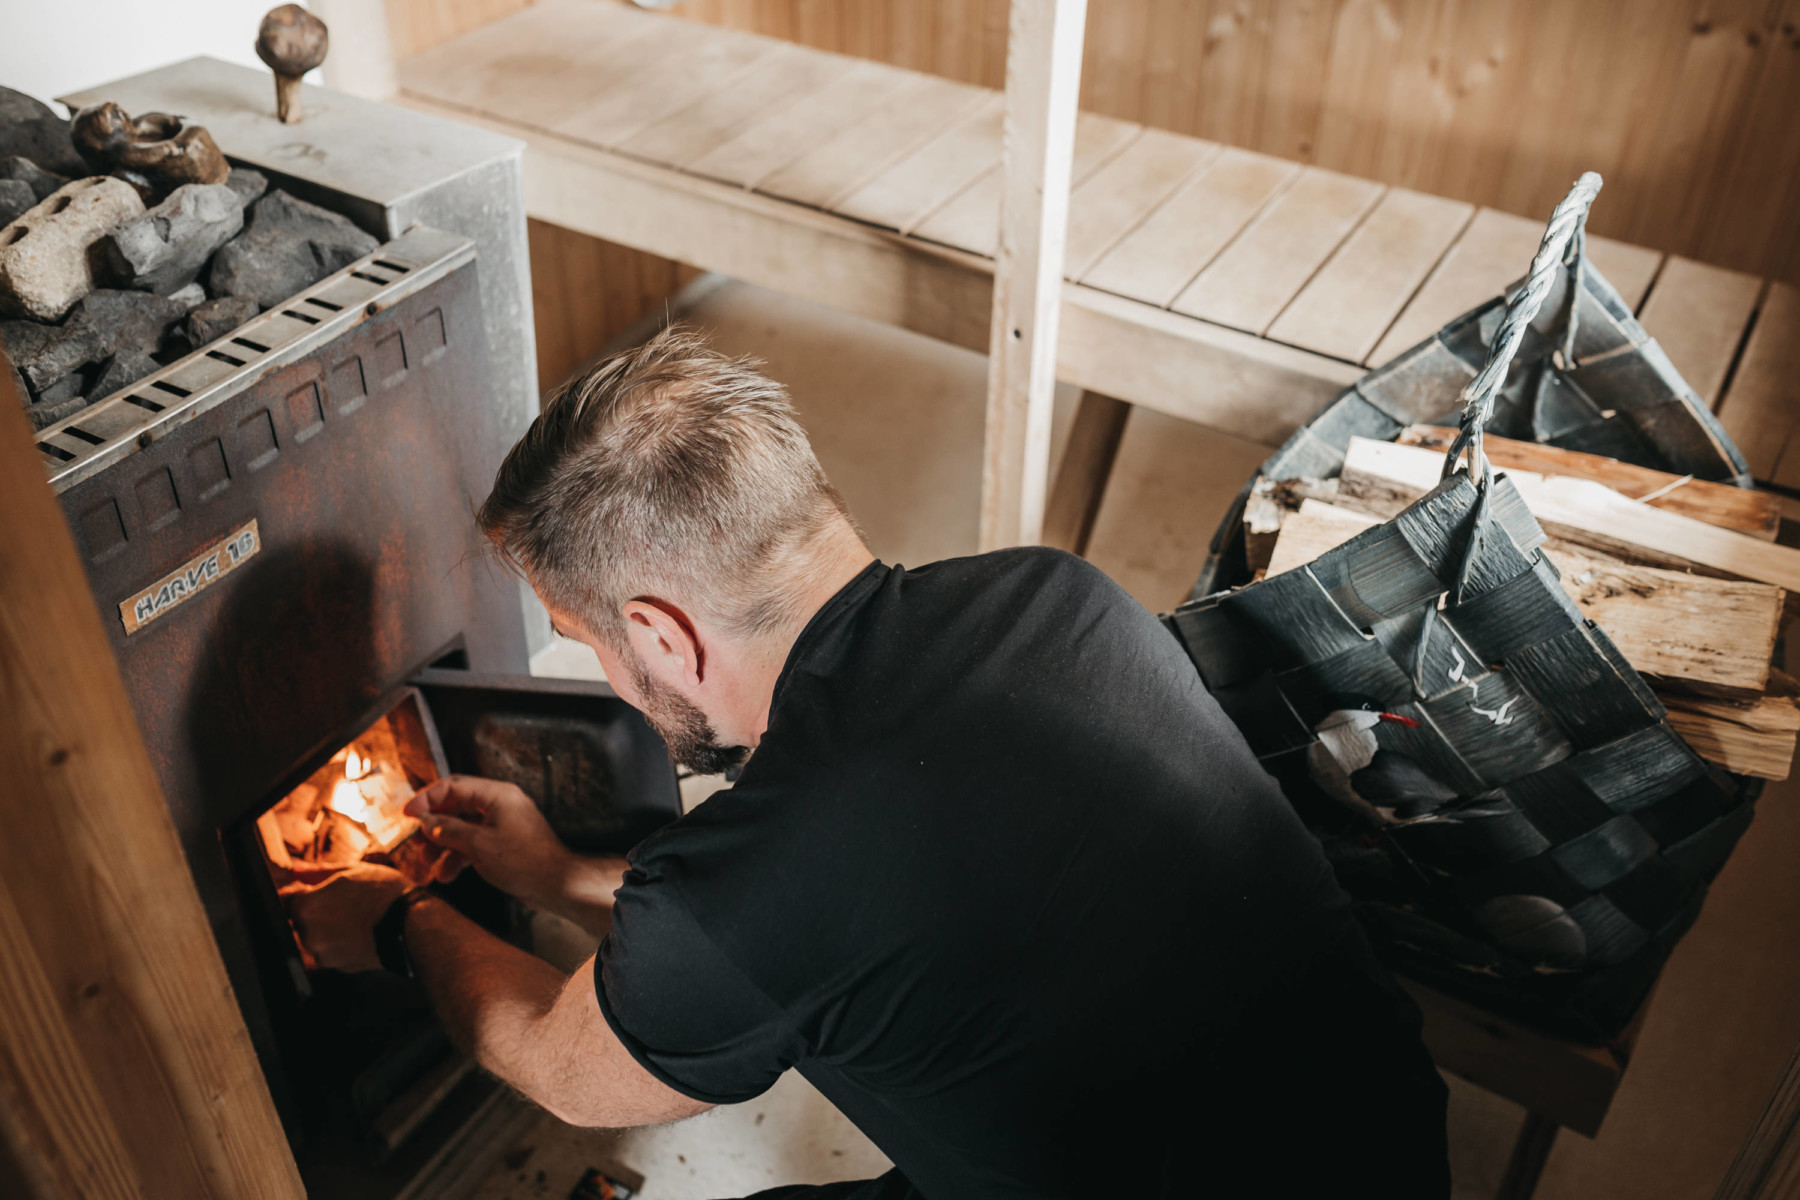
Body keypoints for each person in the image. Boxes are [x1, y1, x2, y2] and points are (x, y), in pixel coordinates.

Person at [285, 327, 1451, 1198]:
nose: (604, 675)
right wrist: (550, 877)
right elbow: (856, 928)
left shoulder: (754, 877)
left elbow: (567, 1069)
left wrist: (401, 921)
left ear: (658, 635)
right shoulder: (1054, 593)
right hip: (1382, 1144)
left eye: (588, 642)